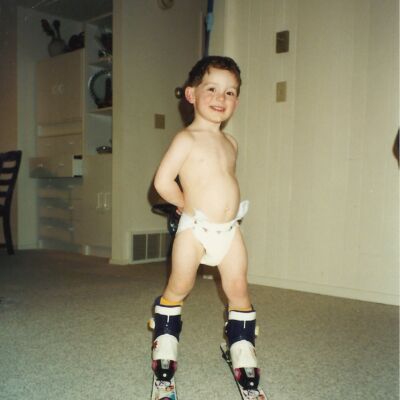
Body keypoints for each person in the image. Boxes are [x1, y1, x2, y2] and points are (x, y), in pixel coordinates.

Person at [149, 56, 260, 390]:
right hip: (194, 229)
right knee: (179, 286)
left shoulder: (232, 142)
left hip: (230, 229)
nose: (221, 98)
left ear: (236, 101)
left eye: (230, 92)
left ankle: (240, 344)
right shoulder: (186, 139)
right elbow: (162, 182)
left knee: (238, 288)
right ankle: (165, 342)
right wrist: (185, 204)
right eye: (212, 89)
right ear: (191, 94)